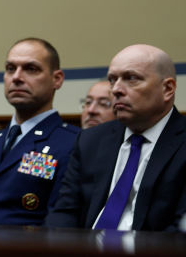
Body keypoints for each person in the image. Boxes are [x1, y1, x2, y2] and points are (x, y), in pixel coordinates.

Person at [46, 44, 186, 231]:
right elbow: (65, 212)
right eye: (113, 80)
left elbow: (179, 228)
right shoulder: (91, 141)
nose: (116, 90)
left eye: (131, 78)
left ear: (167, 89)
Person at [0, 38, 78, 225]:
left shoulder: (73, 143)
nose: (17, 77)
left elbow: (59, 224)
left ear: (57, 79)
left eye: (31, 69)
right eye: (10, 68)